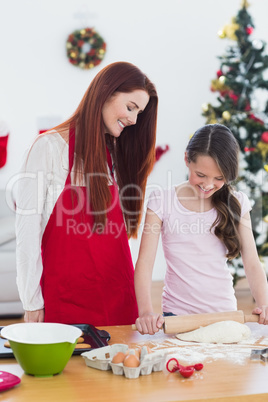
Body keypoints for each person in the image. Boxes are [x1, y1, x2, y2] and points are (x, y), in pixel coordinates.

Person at [15, 61, 158, 326]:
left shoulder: (116, 155)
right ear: (105, 92)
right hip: (66, 305)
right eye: (130, 107)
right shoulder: (48, 148)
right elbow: (27, 234)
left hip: (119, 302)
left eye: (139, 112)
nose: (134, 120)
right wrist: (32, 302)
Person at [134, 123, 268, 335]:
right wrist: (146, 311)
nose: (208, 185)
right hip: (177, 318)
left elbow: (251, 261)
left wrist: (264, 302)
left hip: (224, 316)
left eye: (219, 179)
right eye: (201, 175)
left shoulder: (237, 202)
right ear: (187, 159)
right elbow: (145, 263)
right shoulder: (162, 200)